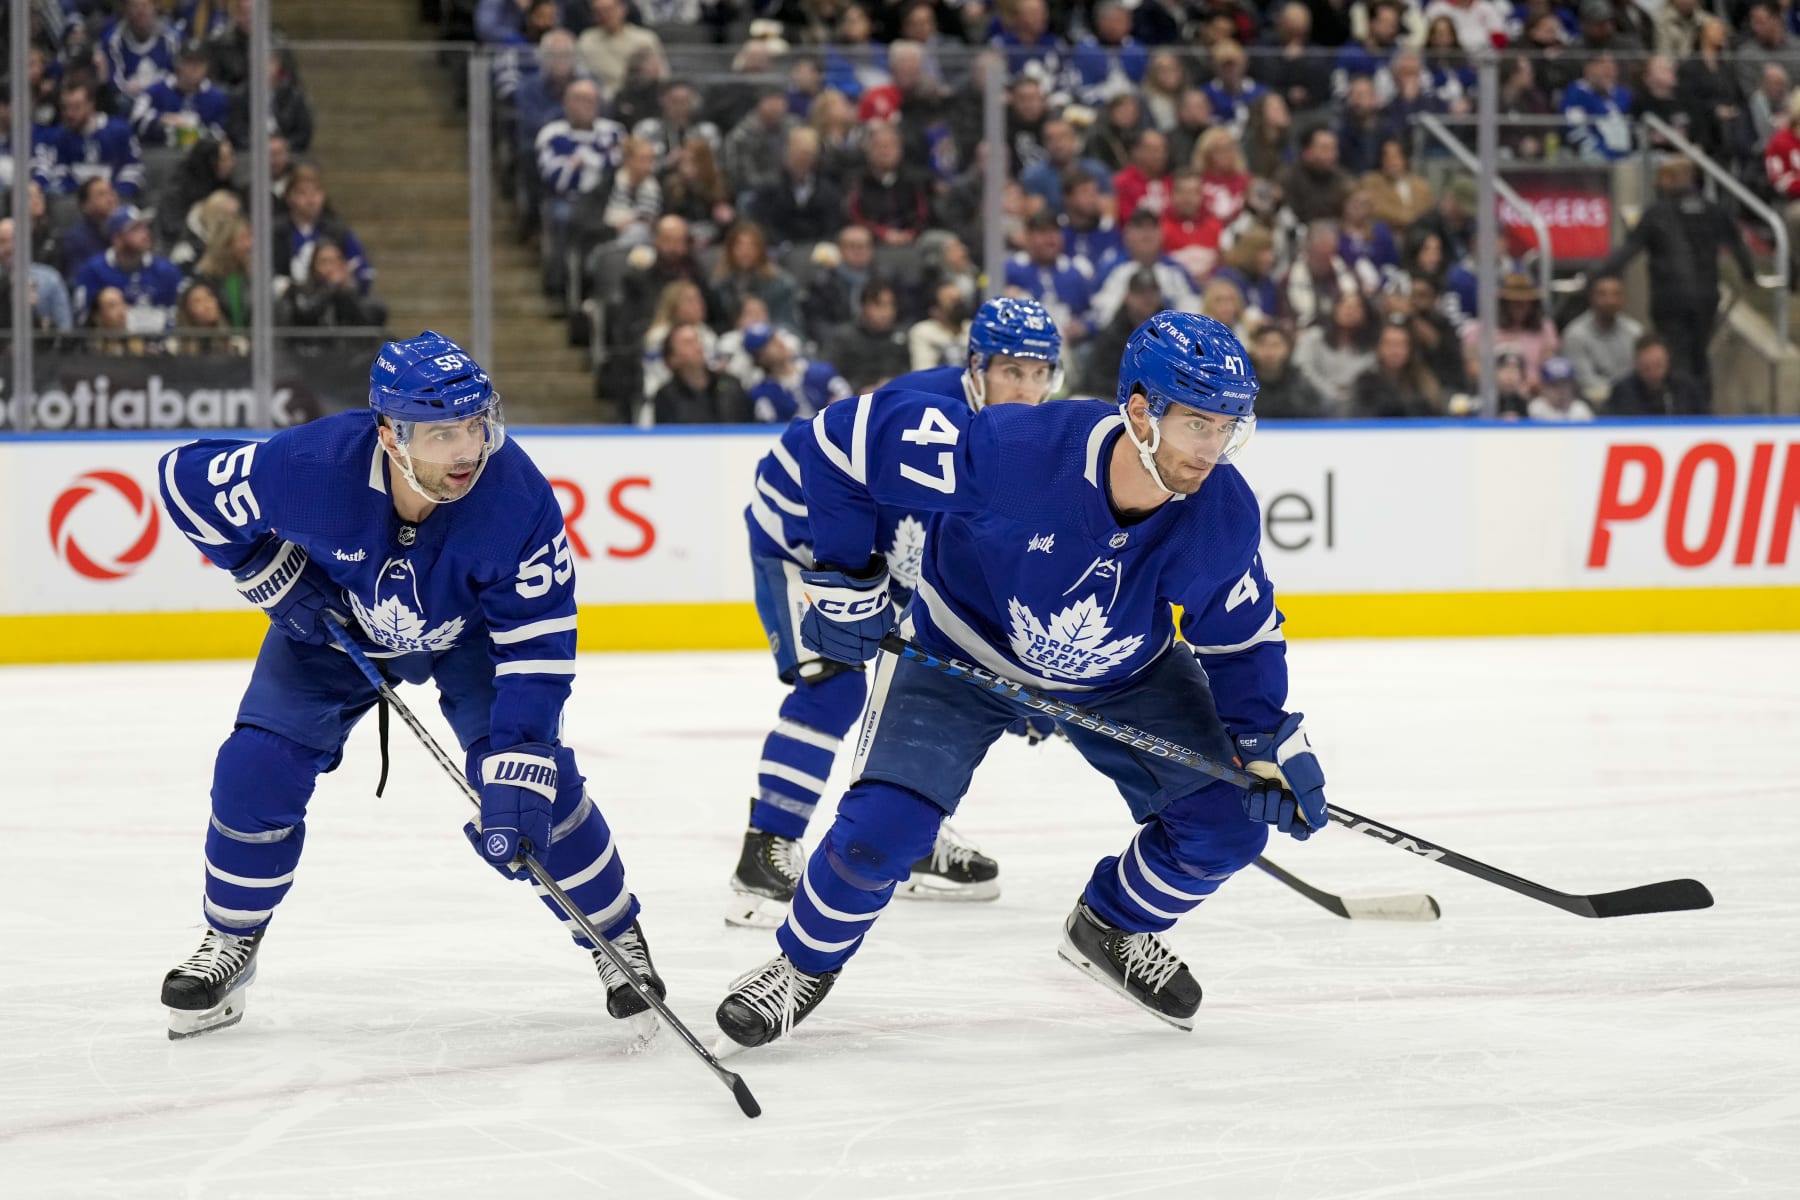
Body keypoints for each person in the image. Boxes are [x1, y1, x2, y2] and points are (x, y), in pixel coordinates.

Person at [714, 311, 1328, 1047]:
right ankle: (800, 965)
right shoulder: (1016, 450)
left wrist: (1262, 736)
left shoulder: (1220, 512)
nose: (1214, 448)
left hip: (1122, 674)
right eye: (1197, 424)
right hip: (963, 654)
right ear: (1140, 411)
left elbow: (1239, 641)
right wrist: (848, 574)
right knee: (880, 838)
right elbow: (838, 442)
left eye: (1229, 426)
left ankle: (1112, 927)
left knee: (1226, 828)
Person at [155, 332, 662, 1039]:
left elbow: (539, 647)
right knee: (254, 766)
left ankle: (615, 937)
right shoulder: (310, 466)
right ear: (390, 434)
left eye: (475, 423)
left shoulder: (517, 499)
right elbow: (185, 481)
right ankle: (231, 941)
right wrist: (265, 570)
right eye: (441, 433)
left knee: (533, 788)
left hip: (473, 639)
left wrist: (518, 756)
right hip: (335, 625)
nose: (466, 450)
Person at [728, 297, 1066, 930]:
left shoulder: (1032, 439)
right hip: (802, 536)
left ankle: (902, 833)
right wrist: (851, 589)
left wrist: (1040, 674)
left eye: (1039, 372)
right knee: (833, 686)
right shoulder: (926, 417)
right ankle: (763, 851)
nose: (1026, 388)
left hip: (878, 548)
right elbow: (840, 481)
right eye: (1011, 372)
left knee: (916, 684)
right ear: (976, 366)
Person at [1559, 273, 1643, 405]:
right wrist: (1619, 394)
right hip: (1590, 405)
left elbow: (1640, 375)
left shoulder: (1635, 332)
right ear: (1592, 298)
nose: (1610, 301)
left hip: (1631, 402)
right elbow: (1584, 382)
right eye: (1603, 294)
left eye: (1616, 294)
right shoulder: (1575, 334)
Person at [1528, 356, 1596, 421]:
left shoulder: (1580, 409)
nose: (1560, 390)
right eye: (1554, 385)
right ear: (1543, 388)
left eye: (1564, 384)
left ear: (1572, 386)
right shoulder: (1536, 409)